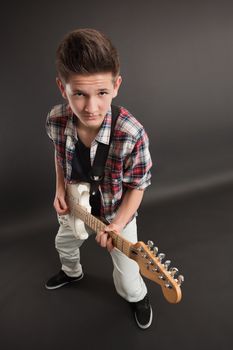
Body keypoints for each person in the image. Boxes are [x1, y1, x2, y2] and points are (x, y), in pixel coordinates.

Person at [45, 28, 153, 330]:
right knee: (64, 243)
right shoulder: (55, 119)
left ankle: (137, 297)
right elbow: (59, 155)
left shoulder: (131, 133)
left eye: (101, 93)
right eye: (78, 93)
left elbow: (137, 187)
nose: (90, 107)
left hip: (117, 213)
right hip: (74, 205)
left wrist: (117, 224)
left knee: (129, 275)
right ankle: (72, 272)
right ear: (62, 87)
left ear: (116, 85)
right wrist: (59, 189)